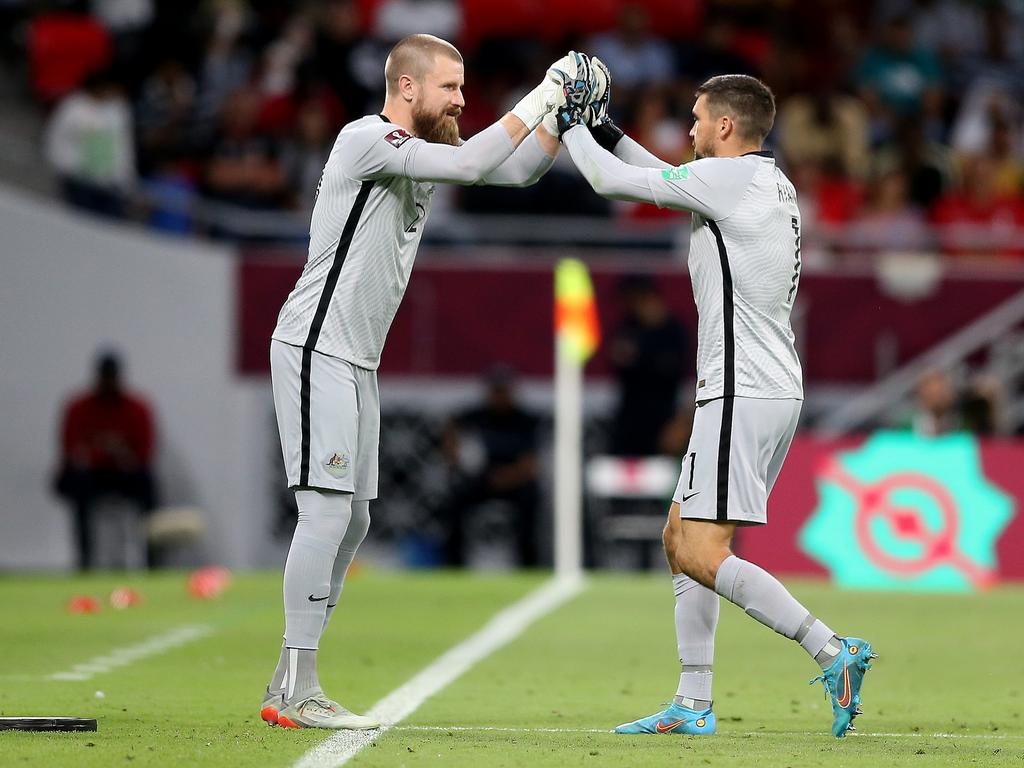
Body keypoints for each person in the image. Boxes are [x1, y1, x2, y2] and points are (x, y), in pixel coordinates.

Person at [261, 34, 583, 730]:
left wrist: (562, 120)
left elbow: (516, 171)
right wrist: (547, 91)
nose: (462, 100)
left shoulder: (426, 155)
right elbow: (475, 156)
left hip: (355, 358)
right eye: (451, 88)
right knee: (324, 514)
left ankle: (293, 674)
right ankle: (295, 687)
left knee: (354, 520)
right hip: (316, 345)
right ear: (407, 87)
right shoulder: (366, 138)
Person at [552, 63, 875, 738]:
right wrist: (604, 128)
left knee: (703, 551)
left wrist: (565, 121)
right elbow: (661, 177)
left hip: (741, 389)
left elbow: (617, 184)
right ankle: (693, 702)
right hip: (765, 384)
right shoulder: (765, 179)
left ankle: (832, 650)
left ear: (725, 126)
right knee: (679, 539)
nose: (690, 129)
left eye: (698, 119)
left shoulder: (728, 180)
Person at [53, 352, 158, 571]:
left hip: (125, 474)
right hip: (92, 475)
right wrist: (101, 451)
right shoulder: (79, 407)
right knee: (79, 483)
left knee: (148, 484)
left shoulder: (137, 408)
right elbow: (70, 449)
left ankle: (153, 562)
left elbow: (145, 453)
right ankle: (85, 561)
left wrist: (119, 452)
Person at [438, 366, 541, 567]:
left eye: (503, 391)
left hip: (515, 482)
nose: (499, 396)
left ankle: (528, 564)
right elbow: (450, 429)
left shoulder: (525, 421)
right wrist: (455, 453)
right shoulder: (475, 417)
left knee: (532, 500)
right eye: (495, 391)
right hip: (481, 480)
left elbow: (530, 464)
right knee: (455, 500)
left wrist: (506, 478)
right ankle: (453, 564)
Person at [608, 274, 689, 457]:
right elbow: (618, 362)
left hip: (664, 421)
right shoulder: (627, 327)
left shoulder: (674, 330)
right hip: (629, 421)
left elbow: (676, 372)